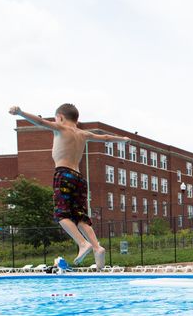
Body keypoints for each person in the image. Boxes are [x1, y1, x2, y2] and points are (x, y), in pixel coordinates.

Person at [9, 104, 130, 269]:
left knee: (61, 214)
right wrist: (122, 139)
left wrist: (21, 112)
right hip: (79, 178)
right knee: (80, 216)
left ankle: (82, 244)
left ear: (60, 117)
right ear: (76, 119)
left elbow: (40, 122)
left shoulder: (60, 128)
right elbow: (106, 138)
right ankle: (96, 247)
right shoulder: (83, 134)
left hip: (64, 174)